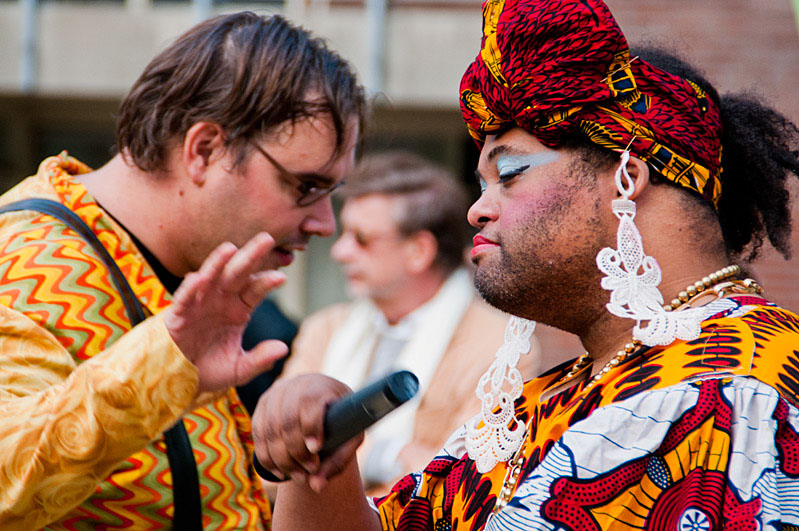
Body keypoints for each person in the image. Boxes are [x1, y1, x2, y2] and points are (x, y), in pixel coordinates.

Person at [250, 0, 799, 529]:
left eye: (509, 173)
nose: (478, 209)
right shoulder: (550, 403)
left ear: (627, 177)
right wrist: (319, 460)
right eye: (482, 183)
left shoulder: (731, 387)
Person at [0, 11, 364, 530]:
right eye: (305, 187)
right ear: (205, 150)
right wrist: (160, 367)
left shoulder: (172, 262)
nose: (327, 223)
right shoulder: (25, 260)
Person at [282, 151, 541, 493]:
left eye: (360, 238)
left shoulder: (502, 347)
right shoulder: (323, 330)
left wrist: (333, 450)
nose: (339, 251)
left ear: (419, 251)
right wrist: (397, 457)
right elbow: (273, 465)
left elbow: (465, 485)